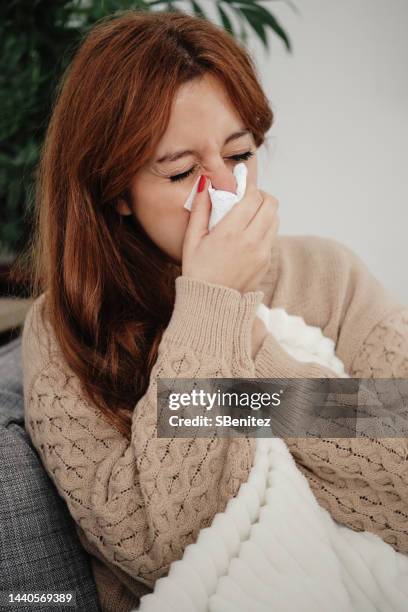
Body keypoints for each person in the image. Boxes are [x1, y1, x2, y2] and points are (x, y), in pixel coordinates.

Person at [20, 9, 408, 612]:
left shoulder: (330, 277)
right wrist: (210, 310)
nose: (224, 191)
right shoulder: (67, 325)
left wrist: (245, 343)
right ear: (116, 192)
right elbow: (153, 543)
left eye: (241, 153)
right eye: (182, 171)